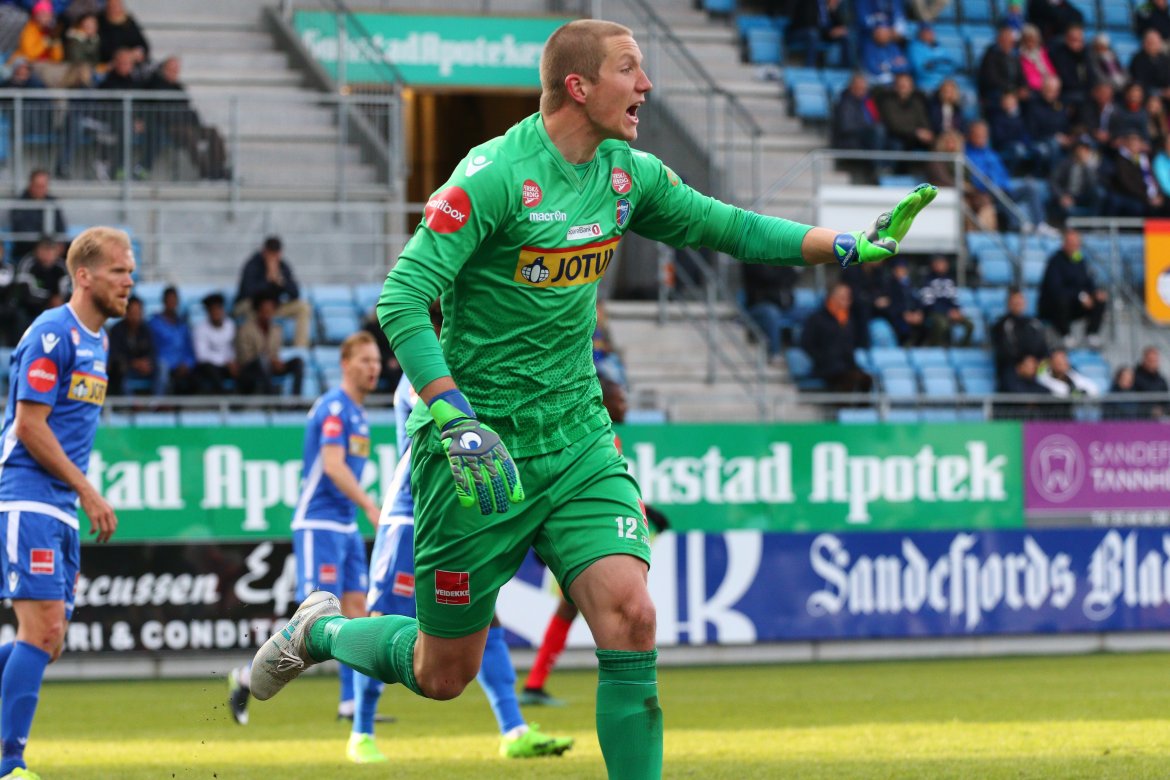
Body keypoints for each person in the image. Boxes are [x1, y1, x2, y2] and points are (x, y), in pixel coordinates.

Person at [247, 19, 936, 780]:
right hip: (481, 451)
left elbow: (727, 226)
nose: (646, 86)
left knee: (632, 614)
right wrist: (450, 413)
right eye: (629, 70)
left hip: (577, 438)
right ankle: (318, 633)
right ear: (579, 86)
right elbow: (404, 299)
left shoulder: (625, 173)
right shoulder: (492, 177)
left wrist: (841, 245)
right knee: (445, 673)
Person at [331, 369, 574, 762]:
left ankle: (513, 730)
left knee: (484, 617)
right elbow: (449, 421)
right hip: (411, 517)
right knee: (381, 618)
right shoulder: (424, 372)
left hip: (455, 517)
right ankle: (360, 732)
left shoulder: (471, 364)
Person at [0, 226, 131, 780]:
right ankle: (10, 763)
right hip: (27, 497)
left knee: (46, 643)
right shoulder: (54, 334)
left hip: (57, 505)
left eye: (131, 271)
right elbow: (30, 426)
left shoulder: (99, 341)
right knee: (43, 632)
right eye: (119, 272)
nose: (130, 282)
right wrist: (87, 488)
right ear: (84, 276)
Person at [520, 377, 669, 708]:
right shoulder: (596, 438)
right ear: (601, 399)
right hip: (583, 542)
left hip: (578, 538)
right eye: (620, 398)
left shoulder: (598, 434)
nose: (625, 404)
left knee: (573, 610)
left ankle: (535, 684)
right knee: (613, 612)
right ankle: (537, 684)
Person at [234, 236, 312, 347]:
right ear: (264, 252)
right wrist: (267, 280)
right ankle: (254, 350)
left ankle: (300, 349)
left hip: (273, 307)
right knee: (250, 310)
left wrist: (281, 283)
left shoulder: (283, 266)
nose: (273, 258)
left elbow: (295, 293)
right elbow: (247, 292)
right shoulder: (252, 265)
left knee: (303, 307)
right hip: (252, 306)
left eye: (276, 254)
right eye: (271, 254)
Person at [801, 281, 876, 393]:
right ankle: (843, 407)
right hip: (826, 368)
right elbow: (807, 344)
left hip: (846, 367)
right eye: (843, 297)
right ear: (832, 297)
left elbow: (850, 348)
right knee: (850, 379)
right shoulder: (816, 319)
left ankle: (862, 410)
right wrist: (823, 359)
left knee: (867, 379)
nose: (848, 300)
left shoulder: (849, 320)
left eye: (848, 297)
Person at [1038, 228, 1107, 347]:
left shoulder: (1080, 259)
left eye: (1076, 244)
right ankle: (1065, 335)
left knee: (1099, 299)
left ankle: (1091, 334)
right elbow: (1055, 289)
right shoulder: (1055, 261)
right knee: (1061, 300)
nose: (1074, 246)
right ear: (1064, 244)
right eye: (1071, 243)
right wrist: (1080, 296)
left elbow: (1088, 281)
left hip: (1075, 305)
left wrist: (1095, 292)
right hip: (1054, 308)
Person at [234, 291, 304, 396]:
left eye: (270, 311)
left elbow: (275, 352)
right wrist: (269, 360)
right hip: (251, 369)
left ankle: (296, 401)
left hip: (269, 366)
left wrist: (276, 361)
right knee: (263, 361)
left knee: (298, 362)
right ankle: (273, 400)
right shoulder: (245, 329)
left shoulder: (277, 330)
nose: (268, 314)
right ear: (258, 310)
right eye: (265, 310)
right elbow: (245, 358)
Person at [741, 261, 798, 361]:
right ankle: (774, 353)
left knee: (806, 314)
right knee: (771, 313)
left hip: (782, 306)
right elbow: (767, 277)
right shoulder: (750, 256)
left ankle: (804, 354)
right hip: (757, 307)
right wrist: (787, 267)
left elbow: (791, 278)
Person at [991, 286, 1050, 381]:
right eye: (1015, 301)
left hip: (1036, 369)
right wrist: (1023, 364)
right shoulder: (1001, 326)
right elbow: (1005, 352)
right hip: (1013, 372)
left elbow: (1044, 349)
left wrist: (1036, 363)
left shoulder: (1034, 323)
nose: (1018, 303)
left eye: (1020, 300)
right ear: (1008, 303)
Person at [147, 286, 196, 395]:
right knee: (162, 369)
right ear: (164, 301)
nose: (172, 302)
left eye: (174, 300)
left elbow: (189, 349)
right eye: (169, 300)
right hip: (161, 364)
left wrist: (187, 363)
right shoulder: (154, 323)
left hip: (181, 366)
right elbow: (150, 347)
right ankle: (157, 404)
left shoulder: (183, 325)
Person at [9, 170, 66, 262]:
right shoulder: (19, 204)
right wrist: (40, 247)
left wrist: (59, 244)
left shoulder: (53, 202)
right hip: (28, 249)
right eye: (38, 186)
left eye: (43, 186)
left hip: (52, 248)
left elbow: (61, 227)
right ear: (30, 185)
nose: (41, 189)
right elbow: (21, 231)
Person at [106, 294, 157, 395]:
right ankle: (130, 405)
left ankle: (156, 404)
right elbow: (114, 356)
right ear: (126, 312)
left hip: (144, 370)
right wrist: (133, 363)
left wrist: (146, 363)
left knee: (161, 367)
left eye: (138, 312)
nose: (136, 316)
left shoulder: (146, 330)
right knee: (121, 370)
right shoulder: (116, 330)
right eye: (133, 312)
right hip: (125, 370)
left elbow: (153, 351)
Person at [918, 254, 972, 346]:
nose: (942, 265)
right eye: (939, 263)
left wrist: (957, 310)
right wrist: (947, 311)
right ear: (933, 265)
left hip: (950, 312)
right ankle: (936, 346)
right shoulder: (927, 281)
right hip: (935, 312)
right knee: (943, 324)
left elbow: (954, 299)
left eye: (943, 263)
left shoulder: (950, 280)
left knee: (970, 324)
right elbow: (928, 303)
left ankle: (962, 347)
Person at [14, 236, 68, 324]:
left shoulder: (61, 266)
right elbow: (25, 293)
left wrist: (59, 299)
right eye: (45, 250)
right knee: (20, 314)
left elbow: (67, 289)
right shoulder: (28, 264)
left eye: (51, 250)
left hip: (56, 307)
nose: (48, 254)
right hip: (31, 309)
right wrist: (49, 299)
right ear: (37, 250)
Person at [191, 291, 237, 394]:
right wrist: (225, 361)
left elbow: (232, 348)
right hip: (209, 368)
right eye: (213, 310)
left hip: (227, 367)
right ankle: (222, 398)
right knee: (209, 369)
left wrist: (231, 361)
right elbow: (202, 356)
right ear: (208, 312)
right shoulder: (200, 329)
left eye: (218, 308)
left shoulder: (230, 325)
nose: (216, 312)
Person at [1133, 345, 1169, 418]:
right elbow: (1131, 401)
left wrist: (1162, 410)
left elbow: (1166, 402)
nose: (1153, 363)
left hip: (1158, 420)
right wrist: (1149, 410)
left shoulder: (1161, 380)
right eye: (1151, 360)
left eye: (1155, 360)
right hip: (1140, 420)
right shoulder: (1135, 378)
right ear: (1144, 360)